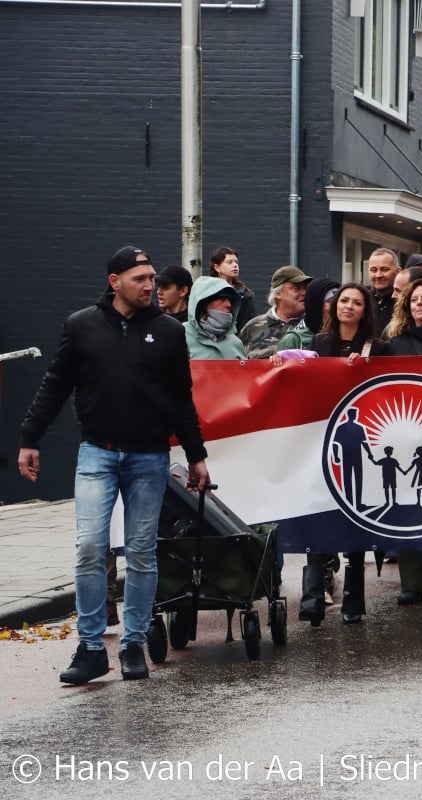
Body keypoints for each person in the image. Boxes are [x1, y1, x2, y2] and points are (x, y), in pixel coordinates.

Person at [18, 245, 210, 684]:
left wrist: (196, 456)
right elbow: (55, 384)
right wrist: (30, 438)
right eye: (141, 279)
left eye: (152, 278)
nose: (150, 286)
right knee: (90, 546)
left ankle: (133, 644)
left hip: (149, 457)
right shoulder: (81, 325)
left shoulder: (168, 331)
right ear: (114, 282)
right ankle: (90, 649)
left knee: (141, 552)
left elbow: (182, 399)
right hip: (97, 453)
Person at [297, 283, 383, 626]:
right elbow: (305, 380)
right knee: (318, 513)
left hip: (360, 439)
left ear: (365, 310)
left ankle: (354, 601)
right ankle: (313, 598)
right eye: (343, 300)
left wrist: (365, 367)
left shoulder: (379, 347)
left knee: (355, 514)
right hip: (322, 438)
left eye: (356, 302)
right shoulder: (319, 343)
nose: (348, 306)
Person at [239, 265, 311, 359]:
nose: (304, 293)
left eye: (305, 288)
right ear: (278, 293)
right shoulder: (252, 328)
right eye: (296, 289)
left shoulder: (313, 326)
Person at [185, 276, 249, 360]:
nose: (228, 305)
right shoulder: (180, 336)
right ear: (203, 303)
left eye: (230, 300)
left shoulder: (236, 343)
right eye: (222, 299)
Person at [274, 277, 338, 354]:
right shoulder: (294, 339)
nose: (337, 306)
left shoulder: (345, 336)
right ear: (316, 305)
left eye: (340, 301)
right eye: (331, 301)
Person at [208, 245, 256, 332]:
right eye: (229, 262)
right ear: (217, 267)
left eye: (236, 262)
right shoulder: (207, 292)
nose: (235, 265)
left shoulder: (243, 295)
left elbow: (249, 324)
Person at [365, 248, 400, 329]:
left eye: (384, 269)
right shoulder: (363, 301)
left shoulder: (406, 302)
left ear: (398, 271)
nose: (378, 275)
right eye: (373, 270)